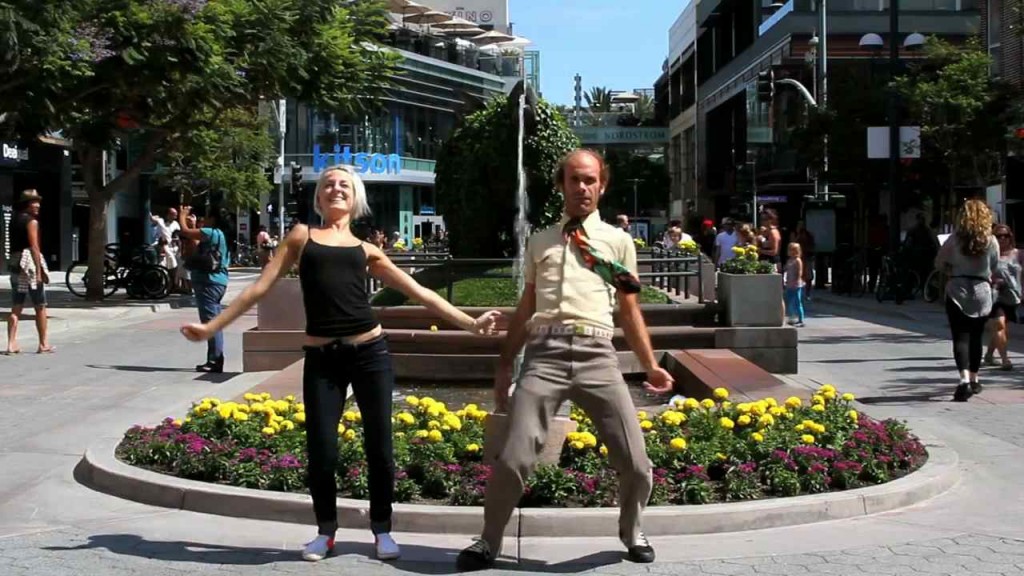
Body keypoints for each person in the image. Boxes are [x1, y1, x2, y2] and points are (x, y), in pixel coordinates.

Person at [181, 165, 499, 562]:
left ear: (355, 197)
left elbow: (420, 292)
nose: (336, 189)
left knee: (380, 447)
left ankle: (382, 529)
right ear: (318, 197)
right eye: (328, 184)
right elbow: (260, 287)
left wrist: (471, 323)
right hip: (322, 359)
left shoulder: (367, 250)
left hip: (370, 353)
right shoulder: (302, 237)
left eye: (344, 185)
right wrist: (212, 327)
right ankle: (325, 531)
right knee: (322, 450)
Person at [455, 150, 674, 571]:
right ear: (561, 185)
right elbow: (527, 306)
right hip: (544, 356)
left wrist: (650, 365)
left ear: (602, 186)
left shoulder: (617, 241)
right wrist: (505, 363)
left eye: (590, 180)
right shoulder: (541, 241)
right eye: (574, 179)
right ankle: (488, 540)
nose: (582, 188)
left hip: (598, 355)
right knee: (514, 457)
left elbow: (629, 309)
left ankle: (632, 530)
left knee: (636, 462)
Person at [934, 199, 999, 401]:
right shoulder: (991, 240)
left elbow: (939, 263)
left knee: (960, 337)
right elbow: (995, 266)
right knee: (976, 337)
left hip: (958, 288)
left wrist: (951, 269)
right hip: (981, 290)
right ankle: (975, 379)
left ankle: (963, 381)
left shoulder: (954, 240)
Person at [178, 207, 230, 373]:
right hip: (217, 282)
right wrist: (193, 226)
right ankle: (214, 358)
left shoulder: (210, 232)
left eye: (206, 217)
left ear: (213, 219)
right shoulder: (219, 234)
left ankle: (215, 360)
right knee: (214, 322)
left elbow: (185, 232)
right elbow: (194, 245)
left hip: (208, 282)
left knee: (210, 323)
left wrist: (182, 216)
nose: (203, 220)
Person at [6, 189, 54, 355]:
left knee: (16, 306)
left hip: (15, 263)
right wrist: (39, 272)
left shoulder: (14, 220)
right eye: (34, 202)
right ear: (27, 204)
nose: (38, 205)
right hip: (29, 265)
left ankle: (11, 343)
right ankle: (43, 344)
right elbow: (34, 247)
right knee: (40, 305)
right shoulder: (31, 222)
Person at [984, 224, 1022, 370]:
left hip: (1013, 296)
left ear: (1010, 237)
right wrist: (992, 280)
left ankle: (989, 355)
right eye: (998, 236)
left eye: (1005, 236)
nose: (1002, 239)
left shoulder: (1019, 254)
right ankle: (1005, 360)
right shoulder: (988, 255)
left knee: (1001, 327)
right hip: (994, 295)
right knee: (999, 324)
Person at [784, 242, 806, 327]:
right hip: (789, 283)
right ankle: (792, 318)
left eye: (793, 250)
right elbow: (786, 270)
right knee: (789, 301)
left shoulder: (798, 260)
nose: (790, 252)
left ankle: (801, 319)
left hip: (796, 284)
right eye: (789, 250)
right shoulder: (789, 260)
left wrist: (797, 280)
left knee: (797, 301)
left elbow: (800, 271)